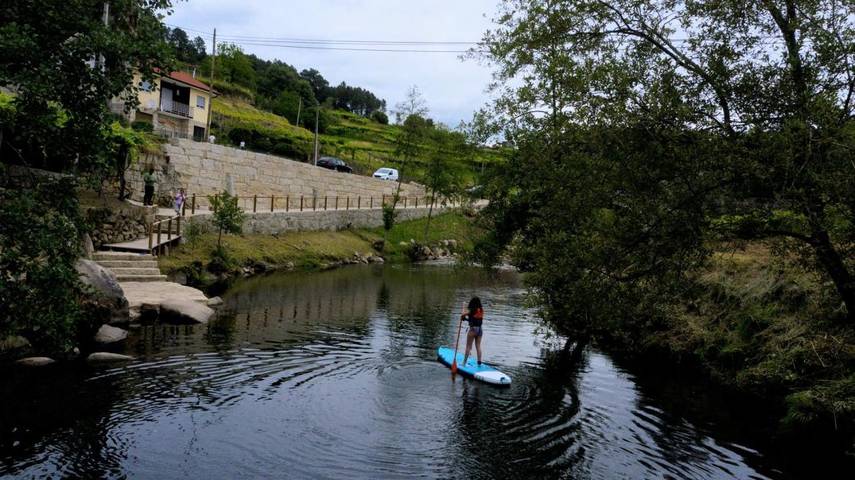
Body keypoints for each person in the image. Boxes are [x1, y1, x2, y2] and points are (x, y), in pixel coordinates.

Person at [460, 297, 484, 367]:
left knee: (468, 346)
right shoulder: (481, 310)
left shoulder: (472, 310)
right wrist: (466, 319)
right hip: (480, 329)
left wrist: (464, 306)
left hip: (473, 329)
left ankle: (464, 363)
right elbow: (473, 319)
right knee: (478, 346)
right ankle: (479, 362)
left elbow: (463, 314)